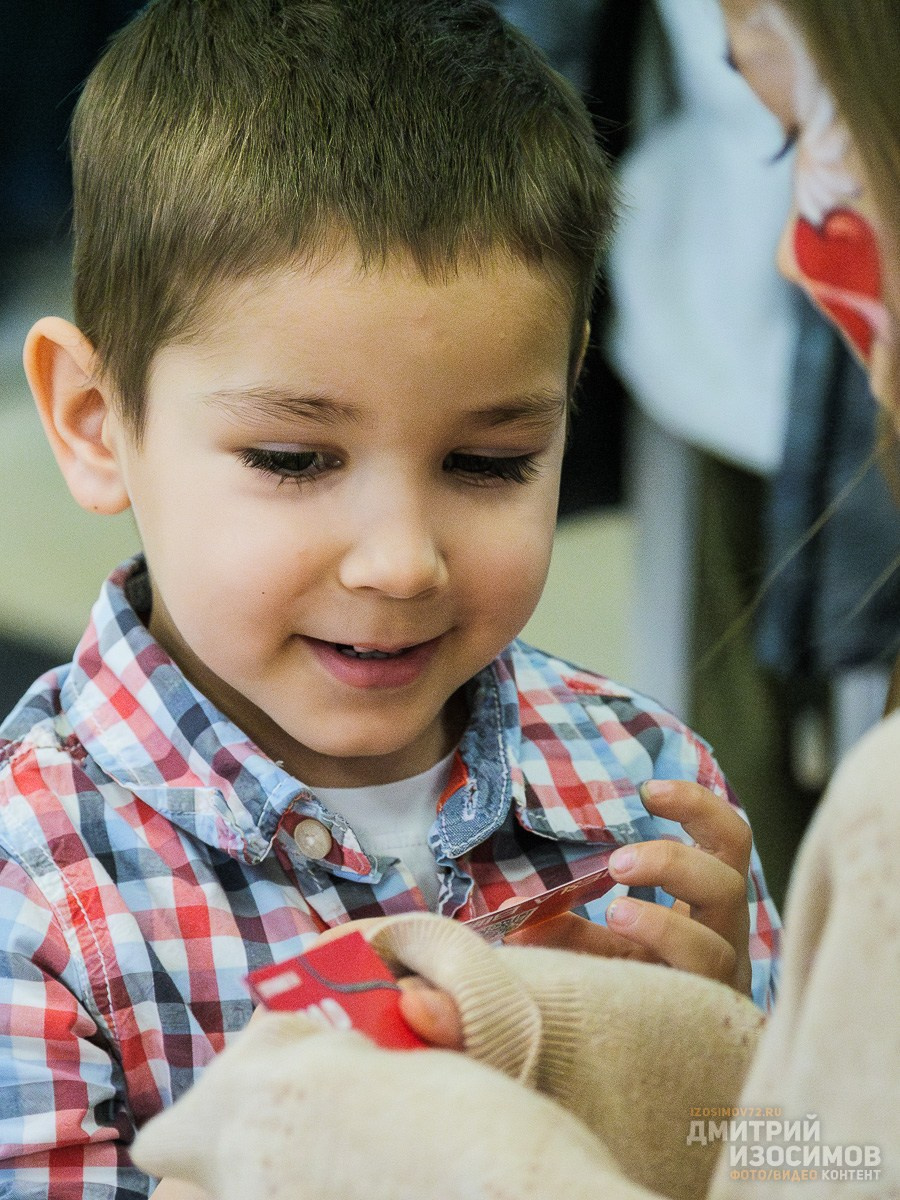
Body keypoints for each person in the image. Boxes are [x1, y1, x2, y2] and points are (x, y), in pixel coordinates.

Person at [0, 2, 781, 1197]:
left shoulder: (646, 789)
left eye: (488, 463)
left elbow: (818, 1161)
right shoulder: (31, 888)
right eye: (295, 461)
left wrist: (717, 1062)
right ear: (96, 423)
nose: (401, 563)